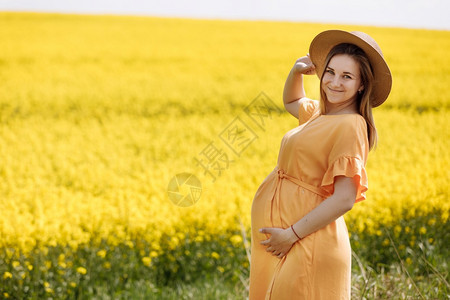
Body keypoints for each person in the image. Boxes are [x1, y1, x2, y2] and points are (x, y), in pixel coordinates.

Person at [248, 30, 392, 299]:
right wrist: (296, 71)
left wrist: (290, 235)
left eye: (347, 76)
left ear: (362, 85)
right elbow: (291, 101)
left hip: (305, 242)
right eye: (330, 72)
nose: (335, 82)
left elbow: (345, 198)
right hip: (285, 243)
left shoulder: (351, 125)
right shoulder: (319, 114)